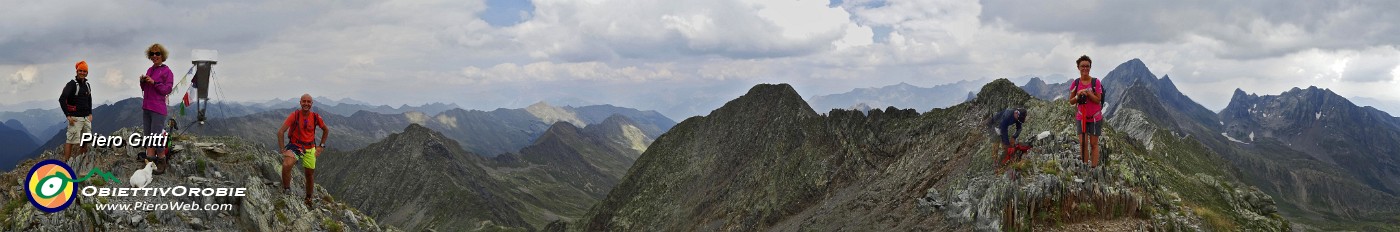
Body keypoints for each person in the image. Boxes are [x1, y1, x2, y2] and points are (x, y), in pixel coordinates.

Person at [276, 94, 330, 207]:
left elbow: (326, 130)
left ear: (312, 104)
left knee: (309, 174)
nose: (306, 104)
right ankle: (286, 189)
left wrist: (321, 146)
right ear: (300, 102)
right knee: (287, 165)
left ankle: (308, 197)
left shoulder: (315, 117)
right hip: (295, 146)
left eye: (308, 102)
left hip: (310, 148)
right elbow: (281, 132)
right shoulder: (294, 115)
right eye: (304, 101)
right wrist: (283, 150)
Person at [141, 43, 175, 174]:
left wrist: (154, 82)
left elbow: (167, 89)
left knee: (156, 137)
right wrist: (143, 81)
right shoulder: (150, 70)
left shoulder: (167, 71)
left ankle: (161, 161)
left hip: (158, 109)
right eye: (152, 54)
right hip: (147, 107)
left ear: (162, 55)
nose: (154, 56)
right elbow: (145, 89)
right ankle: (149, 163)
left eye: (157, 53)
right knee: (148, 136)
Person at [1069, 55, 1104, 168]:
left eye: (1087, 66)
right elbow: (1071, 101)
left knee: (1094, 144)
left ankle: (1093, 168)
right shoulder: (1075, 83)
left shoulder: (1095, 82)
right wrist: (1078, 96)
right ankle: (1085, 167)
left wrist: (1088, 93)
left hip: (1094, 118)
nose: (1085, 68)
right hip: (1081, 117)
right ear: (1078, 67)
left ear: (1090, 67)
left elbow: (1098, 100)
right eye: (1082, 66)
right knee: (1083, 143)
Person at [59, 61, 94, 162]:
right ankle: (66, 163)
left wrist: (90, 113)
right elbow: (62, 99)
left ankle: (82, 161)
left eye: (84, 71)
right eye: (80, 70)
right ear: (77, 71)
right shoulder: (71, 84)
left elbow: (89, 99)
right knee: (70, 141)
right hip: (75, 118)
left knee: (85, 140)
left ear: (87, 73)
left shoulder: (87, 85)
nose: (82, 73)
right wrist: (68, 115)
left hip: (86, 117)